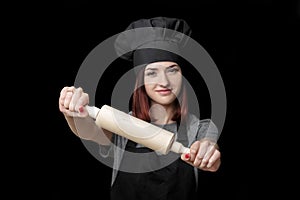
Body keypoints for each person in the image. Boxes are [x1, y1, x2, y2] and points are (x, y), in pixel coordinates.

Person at [59, 16, 221, 200]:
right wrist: (74, 112)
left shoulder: (199, 128)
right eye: (152, 72)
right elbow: (90, 131)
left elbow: (209, 149)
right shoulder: (121, 124)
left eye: (172, 70)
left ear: (182, 75)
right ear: (140, 80)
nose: (164, 81)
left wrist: (207, 154)